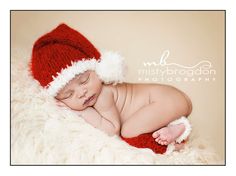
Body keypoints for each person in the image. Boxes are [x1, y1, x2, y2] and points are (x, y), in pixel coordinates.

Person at [30, 23, 192, 154]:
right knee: (135, 128)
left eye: (84, 80)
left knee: (129, 132)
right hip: (168, 100)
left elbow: (112, 129)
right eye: (68, 94)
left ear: (97, 70)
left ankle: (175, 140)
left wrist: (82, 111)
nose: (81, 92)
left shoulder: (103, 94)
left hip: (164, 100)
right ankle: (174, 129)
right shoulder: (92, 94)